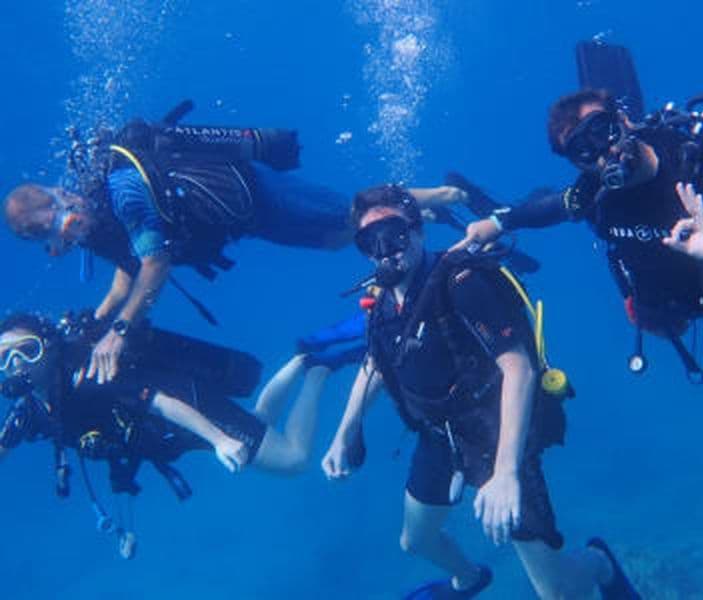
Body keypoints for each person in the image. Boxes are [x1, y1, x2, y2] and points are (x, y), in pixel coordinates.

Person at [321, 185, 639, 599]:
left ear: (418, 231)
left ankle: (598, 563)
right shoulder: (381, 303)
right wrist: (345, 431)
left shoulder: (462, 283)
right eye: (370, 240)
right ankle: (469, 579)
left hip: (495, 434)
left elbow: (518, 368)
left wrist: (505, 472)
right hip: (440, 438)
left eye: (393, 234)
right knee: (416, 541)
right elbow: (377, 363)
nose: (385, 251)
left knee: (557, 593)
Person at [2, 104, 467, 385]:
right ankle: (415, 215)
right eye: (56, 237)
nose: (70, 232)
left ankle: (446, 194)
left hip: (254, 190)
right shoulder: (95, 225)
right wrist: (99, 320)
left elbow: (155, 264)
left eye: (65, 221)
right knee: (333, 242)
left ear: (63, 195)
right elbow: (128, 268)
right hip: (242, 220)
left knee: (351, 213)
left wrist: (118, 331)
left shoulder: (122, 192)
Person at [453, 89, 703, 393]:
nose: (603, 151)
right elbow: (555, 206)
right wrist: (499, 222)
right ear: (576, 163)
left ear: (624, 120)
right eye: (582, 150)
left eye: (602, 130)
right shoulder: (597, 197)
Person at [0, 310, 346, 557]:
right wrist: (127, 525)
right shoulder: (31, 413)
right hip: (171, 436)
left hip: (188, 408)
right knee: (258, 424)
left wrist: (220, 440)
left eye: (27, 350)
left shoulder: (92, 377)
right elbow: (113, 451)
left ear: (49, 346)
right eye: (3, 357)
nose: (16, 363)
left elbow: (160, 403)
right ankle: (300, 359)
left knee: (292, 460)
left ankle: (317, 372)